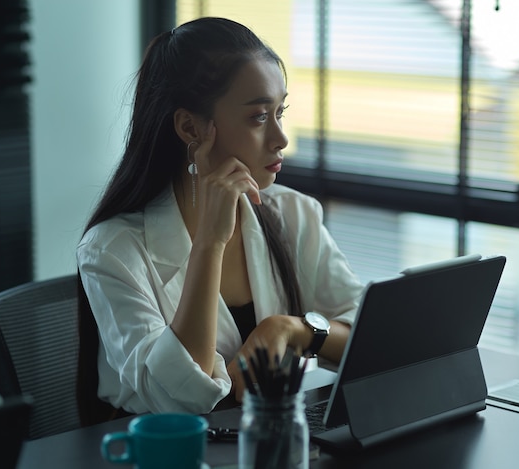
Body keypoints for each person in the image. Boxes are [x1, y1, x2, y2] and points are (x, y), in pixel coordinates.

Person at [76, 17, 364, 423]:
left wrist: (292, 330)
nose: (281, 138)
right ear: (190, 127)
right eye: (259, 117)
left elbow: (370, 334)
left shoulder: (291, 212)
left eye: (280, 111)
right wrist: (210, 242)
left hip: (271, 443)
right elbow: (179, 401)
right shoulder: (112, 250)